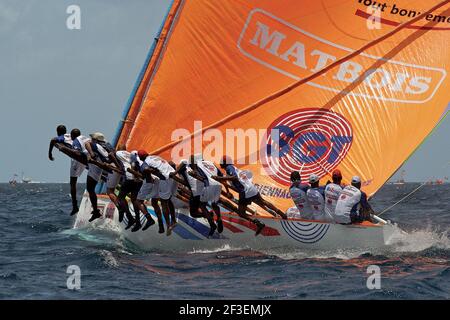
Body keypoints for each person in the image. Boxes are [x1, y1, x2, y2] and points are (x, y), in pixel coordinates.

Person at [215, 156, 287, 236]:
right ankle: (281, 213)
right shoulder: (233, 168)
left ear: (224, 163)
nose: (220, 163)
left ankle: (258, 223)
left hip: (245, 192)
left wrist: (219, 178)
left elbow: (234, 178)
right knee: (263, 202)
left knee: (241, 213)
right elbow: (231, 181)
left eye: (221, 162)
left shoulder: (229, 168)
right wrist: (227, 189)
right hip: (251, 188)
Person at [171, 155, 217, 236]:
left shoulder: (184, 164)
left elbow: (186, 160)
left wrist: (174, 173)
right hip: (203, 189)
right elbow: (186, 183)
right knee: (202, 206)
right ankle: (209, 217)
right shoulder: (195, 167)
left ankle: (210, 219)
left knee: (194, 213)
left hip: (196, 192)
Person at [48, 126, 86, 215]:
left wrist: (50, 153)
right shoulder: (70, 135)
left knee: (72, 183)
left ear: (58, 132)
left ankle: (75, 206)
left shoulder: (62, 137)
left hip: (77, 159)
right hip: (84, 156)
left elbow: (53, 140)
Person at [138, 151, 178, 236]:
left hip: (164, 179)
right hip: (174, 176)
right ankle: (173, 221)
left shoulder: (145, 162)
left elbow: (145, 169)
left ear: (141, 158)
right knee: (166, 199)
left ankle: (168, 225)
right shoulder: (156, 157)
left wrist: (151, 171)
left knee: (164, 203)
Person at [197, 156, 228, 234]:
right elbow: (221, 176)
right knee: (214, 204)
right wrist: (227, 191)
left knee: (202, 205)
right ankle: (219, 219)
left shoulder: (197, 164)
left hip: (209, 185)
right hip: (218, 185)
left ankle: (212, 224)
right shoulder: (211, 163)